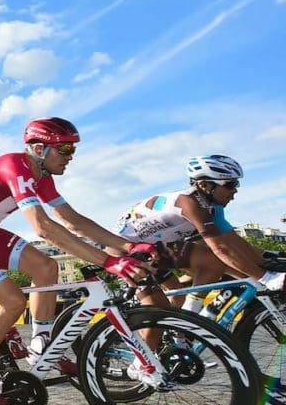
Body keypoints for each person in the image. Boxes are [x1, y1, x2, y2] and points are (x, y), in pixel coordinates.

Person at [0, 117, 153, 405]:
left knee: (47, 267)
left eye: (73, 150)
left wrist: (128, 247)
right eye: (65, 150)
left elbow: (73, 220)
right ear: (37, 148)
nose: (71, 157)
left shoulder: (42, 176)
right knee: (13, 300)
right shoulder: (15, 167)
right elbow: (43, 228)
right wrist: (107, 261)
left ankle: (40, 343)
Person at [114, 155, 284, 374]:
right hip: (128, 249)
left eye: (237, 184)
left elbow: (237, 243)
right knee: (160, 309)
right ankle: (140, 366)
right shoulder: (190, 203)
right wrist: (266, 277)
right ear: (205, 185)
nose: (236, 191)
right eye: (230, 184)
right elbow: (221, 248)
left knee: (212, 266)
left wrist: (273, 259)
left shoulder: (213, 207)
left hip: (161, 248)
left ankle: (183, 331)